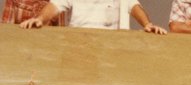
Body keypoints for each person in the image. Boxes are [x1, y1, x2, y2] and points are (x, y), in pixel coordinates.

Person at [20, 0, 165, 31]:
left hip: (113, 51)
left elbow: (134, 7)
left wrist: (147, 24)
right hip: (79, 48)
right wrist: (39, 19)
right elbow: (54, 6)